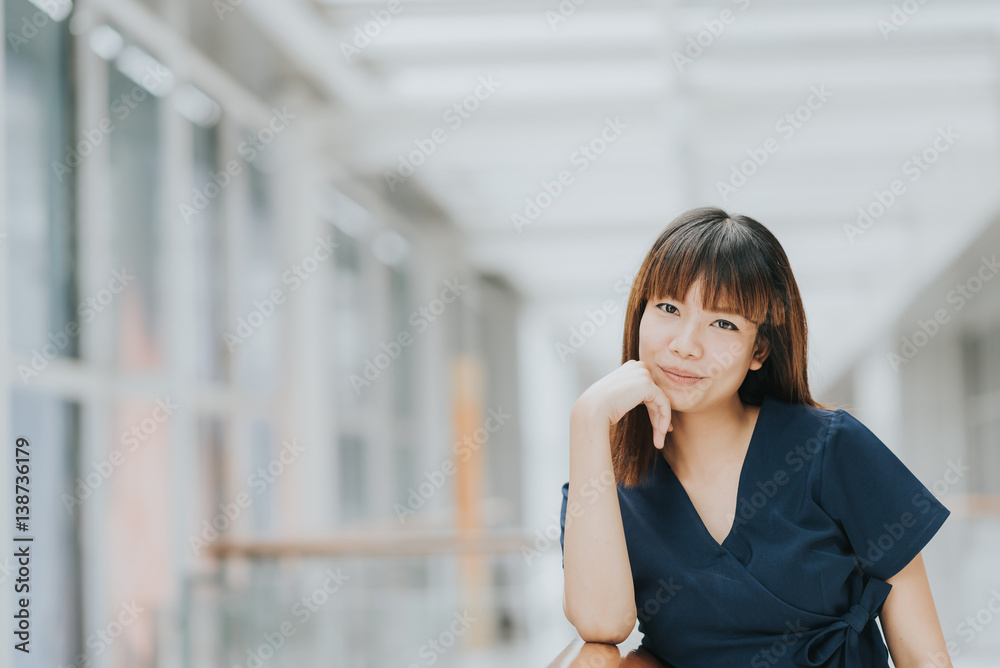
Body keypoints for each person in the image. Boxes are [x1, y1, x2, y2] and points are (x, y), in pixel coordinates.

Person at [559, 207, 953, 667]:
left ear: (759, 350)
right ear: (640, 315)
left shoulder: (830, 447)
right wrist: (587, 418)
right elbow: (603, 627)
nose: (686, 344)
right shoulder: (608, 486)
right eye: (668, 308)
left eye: (723, 323)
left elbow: (926, 655)